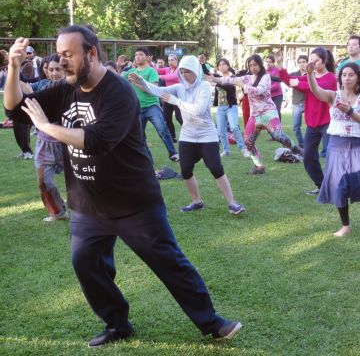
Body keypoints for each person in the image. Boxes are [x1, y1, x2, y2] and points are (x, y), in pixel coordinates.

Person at [4, 25, 241, 348]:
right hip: (88, 204)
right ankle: (117, 324)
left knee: (168, 262)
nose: (63, 61)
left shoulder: (118, 92)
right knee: (86, 263)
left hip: (134, 202)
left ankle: (212, 322)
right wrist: (14, 68)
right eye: (60, 55)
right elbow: (15, 109)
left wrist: (47, 126)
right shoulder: (65, 89)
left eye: (69, 55)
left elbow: (98, 141)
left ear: (91, 53)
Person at [129, 55, 246, 214]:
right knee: (185, 170)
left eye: (188, 72)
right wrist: (142, 83)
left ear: (196, 70)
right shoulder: (179, 87)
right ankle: (197, 202)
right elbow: (159, 90)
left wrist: (175, 101)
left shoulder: (204, 86)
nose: (185, 75)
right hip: (188, 135)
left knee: (215, 167)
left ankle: (232, 203)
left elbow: (198, 110)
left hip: (207, 135)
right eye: (182, 72)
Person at [207, 54, 302, 175]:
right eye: (250, 65)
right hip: (255, 116)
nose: (252, 67)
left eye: (255, 65)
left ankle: (296, 149)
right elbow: (230, 80)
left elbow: (260, 90)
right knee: (248, 142)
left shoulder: (266, 76)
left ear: (260, 65)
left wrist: (243, 86)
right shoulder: (248, 78)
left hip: (268, 113)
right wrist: (215, 79)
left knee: (278, 135)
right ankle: (259, 166)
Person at [306, 61, 360, 237]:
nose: (347, 78)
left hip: (357, 144)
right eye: (344, 75)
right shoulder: (333, 96)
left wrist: (350, 111)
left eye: (351, 74)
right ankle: (345, 226)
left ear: (357, 77)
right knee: (339, 186)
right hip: (336, 145)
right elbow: (316, 91)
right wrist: (309, 74)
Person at [276, 48, 337, 194]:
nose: (313, 63)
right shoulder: (310, 76)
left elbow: (316, 88)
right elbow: (289, 80)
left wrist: (300, 82)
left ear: (324, 61)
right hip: (312, 124)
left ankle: (335, 187)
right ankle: (322, 185)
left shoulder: (331, 78)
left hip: (329, 122)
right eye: (311, 60)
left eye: (316, 60)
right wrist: (280, 65)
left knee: (331, 156)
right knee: (308, 157)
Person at [21, 54, 68, 222]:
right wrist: (13, 65)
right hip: (43, 142)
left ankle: (86, 206)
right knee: (43, 182)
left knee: (78, 179)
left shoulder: (70, 90)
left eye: (58, 69)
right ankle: (58, 213)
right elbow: (23, 86)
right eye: (50, 69)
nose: (54, 73)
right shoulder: (41, 86)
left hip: (66, 143)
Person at [123, 47, 179, 162]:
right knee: (140, 135)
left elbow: (152, 89)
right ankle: (149, 159)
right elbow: (117, 79)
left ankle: (173, 153)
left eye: (140, 54)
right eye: (136, 55)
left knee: (162, 129)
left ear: (147, 57)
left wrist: (138, 82)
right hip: (137, 108)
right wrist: (120, 67)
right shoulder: (131, 72)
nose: (137, 57)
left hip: (152, 106)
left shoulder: (152, 71)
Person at [212, 58, 249, 158]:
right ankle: (226, 150)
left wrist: (217, 81)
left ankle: (243, 148)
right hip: (220, 107)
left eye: (224, 64)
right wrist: (202, 64)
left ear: (228, 65)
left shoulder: (232, 77)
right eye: (220, 65)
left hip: (231, 107)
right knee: (220, 130)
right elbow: (206, 73)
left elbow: (229, 87)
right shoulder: (218, 76)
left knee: (234, 127)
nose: (222, 66)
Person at [156, 53, 183, 142]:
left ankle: (190, 133)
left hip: (178, 97)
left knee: (179, 117)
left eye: (172, 60)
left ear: (177, 61)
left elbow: (172, 77)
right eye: (169, 60)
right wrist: (148, 64)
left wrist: (159, 76)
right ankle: (172, 137)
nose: (170, 62)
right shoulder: (167, 69)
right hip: (168, 97)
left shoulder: (179, 70)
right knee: (167, 117)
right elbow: (156, 70)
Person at [290, 55, 308, 148]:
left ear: (307, 63)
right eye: (300, 62)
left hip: (308, 103)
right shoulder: (294, 74)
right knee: (296, 126)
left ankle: (306, 143)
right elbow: (285, 80)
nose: (302, 64)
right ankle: (301, 143)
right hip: (296, 103)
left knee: (310, 125)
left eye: (304, 61)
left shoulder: (311, 74)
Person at [265, 55, 283, 120]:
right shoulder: (264, 71)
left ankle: (278, 128)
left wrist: (266, 89)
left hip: (278, 95)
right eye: (267, 61)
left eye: (270, 62)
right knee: (269, 113)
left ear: (273, 63)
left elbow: (276, 85)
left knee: (277, 112)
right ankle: (271, 128)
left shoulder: (277, 70)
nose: (268, 63)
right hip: (269, 96)